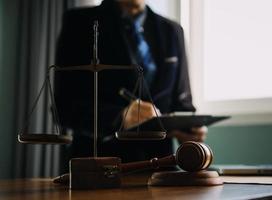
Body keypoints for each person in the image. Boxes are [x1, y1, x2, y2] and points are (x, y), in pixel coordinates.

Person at [55, 0, 207, 163]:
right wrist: (119, 117)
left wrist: (190, 129)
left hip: (160, 166)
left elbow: (182, 102)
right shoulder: (78, 22)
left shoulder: (172, 31)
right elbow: (63, 107)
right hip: (97, 165)